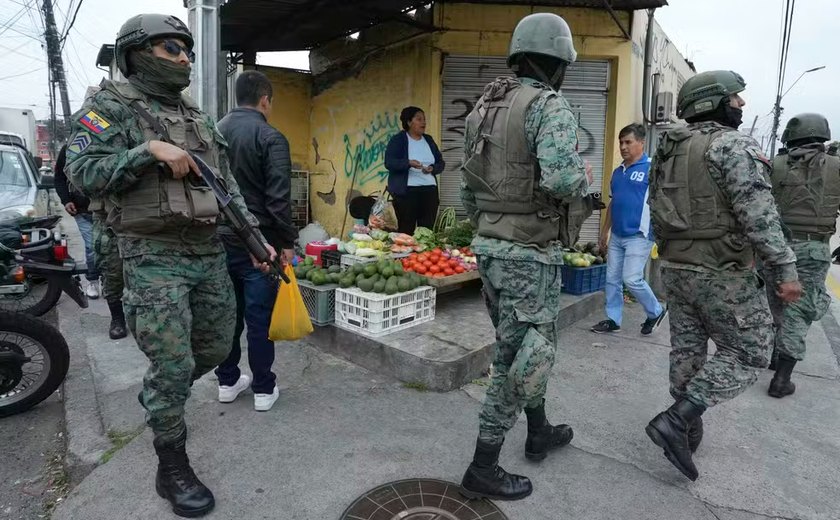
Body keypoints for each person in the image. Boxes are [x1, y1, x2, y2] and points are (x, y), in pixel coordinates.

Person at [65, 14, 274, 518]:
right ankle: (171, 464)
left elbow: (225, 188)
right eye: (170, 48)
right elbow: (81, 171)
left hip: (205, 250)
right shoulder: (107, 107)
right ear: (137, 53)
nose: (183, 58)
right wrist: (145, 151)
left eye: (187, 50)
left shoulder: (196, 115)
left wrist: (256, 240)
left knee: (218, 343)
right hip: (150, 255)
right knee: (175, 363)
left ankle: (162, 393)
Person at [459, 12, 592, 501]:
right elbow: (562, 180)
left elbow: (469, 190)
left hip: (491, 248)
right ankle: (482, 466)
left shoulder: (484, 108)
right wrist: (584, 184)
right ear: (555, 62)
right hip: (529, 253)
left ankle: (538, 430)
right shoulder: (547, 106)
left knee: (520, 344)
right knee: (524, 354)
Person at [645, 70, 802, 482]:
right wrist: (784, 270)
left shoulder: (667, 148)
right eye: (735, 98)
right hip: (722, 271)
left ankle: (687, 433)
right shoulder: (732, 146)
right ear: (711, 103)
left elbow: (655, 206)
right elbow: (760, 217)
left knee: (687, 351)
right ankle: (678, 421)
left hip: (676, 269)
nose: (741, 104)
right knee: (751, 351)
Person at [214, 70, 297, 412]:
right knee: (259, 317)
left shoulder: (213, 131)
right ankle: (263, 388)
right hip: (258, 245)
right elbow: (278, 199)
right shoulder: (270, 136)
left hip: (216, 239)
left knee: (226, 314)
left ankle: (227, 381)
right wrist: (287, 241)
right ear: (265, 99)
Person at [764, 113, 839, 398]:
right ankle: (782, 379)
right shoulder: (836, 167)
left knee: (776, 305)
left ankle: (773, 357)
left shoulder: (776, 165)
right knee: (800, 310)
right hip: (814, 250)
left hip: (776, 247)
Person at [591, 123, 666, 335]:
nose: (623, 147)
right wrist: (605, 231)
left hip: (640, 235)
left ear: (641, 143)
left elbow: (664, 201)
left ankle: (656, 311)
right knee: (612, 279)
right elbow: (613, 204)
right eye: (621, 142)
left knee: (632, 278)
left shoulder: (652, 169)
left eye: (628, 142)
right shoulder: (618, 172)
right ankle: (613, 319)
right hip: (617, 235)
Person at [384, 106, 445, 234]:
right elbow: (389, 162)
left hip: (429, 191)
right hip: (407, 193)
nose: (424, 122)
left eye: (424, 119)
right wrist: (408, 163)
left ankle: (424, 254)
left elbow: (441, 163)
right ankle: (406, 254)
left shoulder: (428, 140)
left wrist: (432, 168)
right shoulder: (398, 140)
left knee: (426, 231)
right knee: (406, 230)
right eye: (419, 119)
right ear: (409, 122)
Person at [53, 144, 101, 300]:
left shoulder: (109, 142)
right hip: (82, 210)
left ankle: (108, 281)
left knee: (108, 247)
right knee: (92, 246)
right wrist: (66, 200)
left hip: (108, 209)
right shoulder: (71, 147)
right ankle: (93, 281)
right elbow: (59, 177)